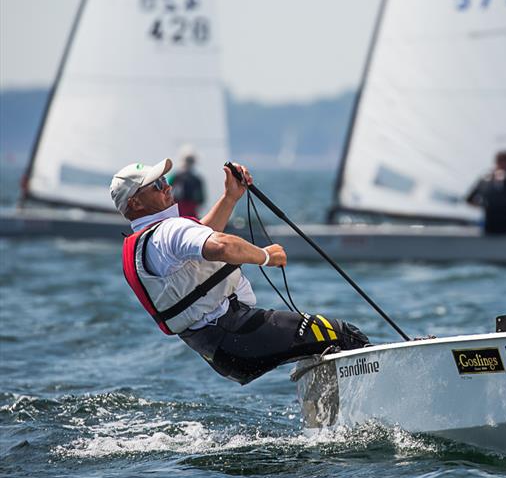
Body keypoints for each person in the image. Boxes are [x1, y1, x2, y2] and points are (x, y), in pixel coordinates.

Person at [110, 158, 369, 385]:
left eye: (165, 179)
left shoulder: (147, 242)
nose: (167, 185)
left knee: (324, 347)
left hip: (220, 350)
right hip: (237, 332)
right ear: (136, 203)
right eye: (156, 185)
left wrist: (230, 198)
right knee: (345, 335)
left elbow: (201, 238)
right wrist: (266, 256)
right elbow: (221, 246)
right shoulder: (169, 230)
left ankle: (330, 417)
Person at [466, 150, 506, 235]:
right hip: (490, 225)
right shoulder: (486, 179)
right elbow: (469, 199)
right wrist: (484, 205)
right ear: (500, 162)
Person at [170, 151, 205, 218]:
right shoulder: (176, 176)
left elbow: (201, 197)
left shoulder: (196, 179)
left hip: (190, 206)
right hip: (180, 205)